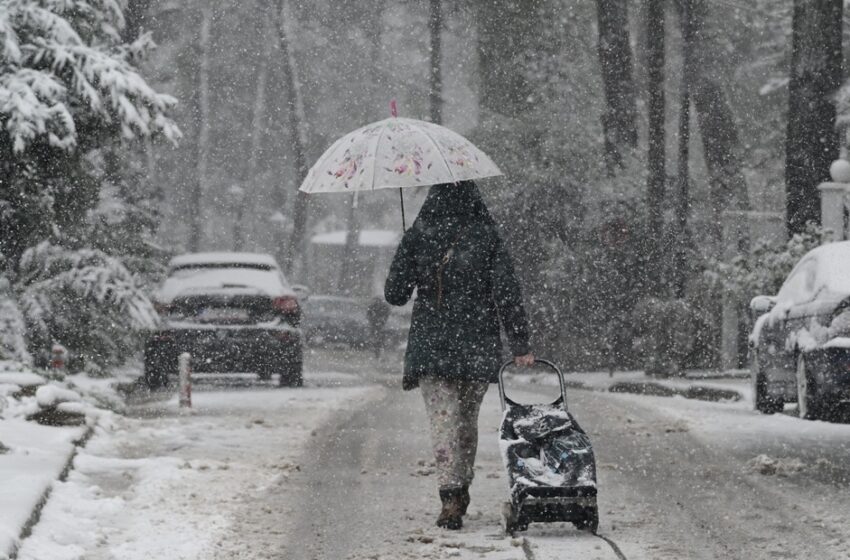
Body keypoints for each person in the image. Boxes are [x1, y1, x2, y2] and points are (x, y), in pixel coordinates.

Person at [384, 181, 534, 531]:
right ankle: (461, 485)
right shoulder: (487, 236)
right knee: (466, 420)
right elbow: (507, 291)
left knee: (443, 422)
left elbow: (395, 295)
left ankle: (450, 496)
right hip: (477, 344)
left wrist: (407, 252)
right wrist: (520, 343)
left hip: (431, 346)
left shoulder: (419, 234)